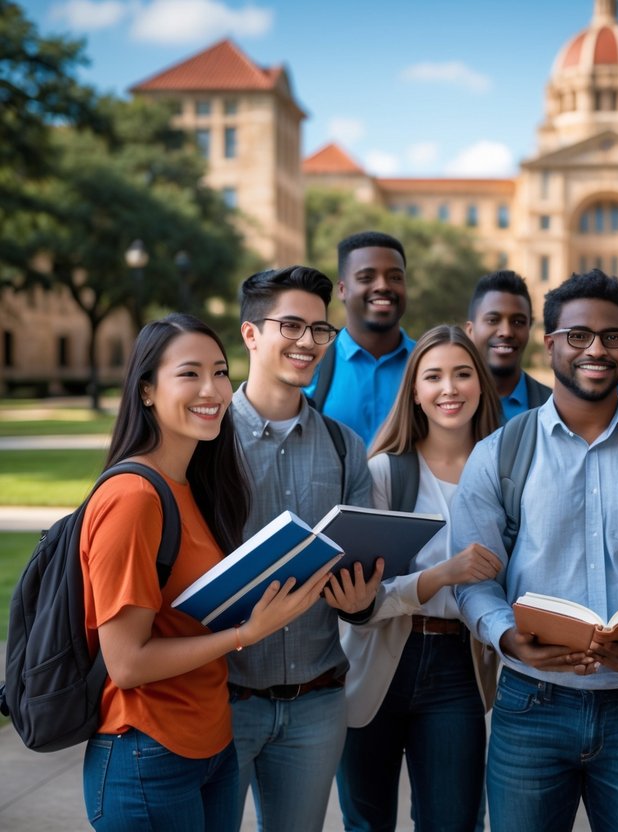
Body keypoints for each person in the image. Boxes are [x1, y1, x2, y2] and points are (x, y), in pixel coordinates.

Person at [452, 269, 618, 831]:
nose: (596, 349)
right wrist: (507, 638)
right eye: (578, 336)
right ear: (550, 345)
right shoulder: (499, 455)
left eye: (612, 336)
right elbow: (473, 578)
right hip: (529, 707)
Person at [80, 314, 335, 832]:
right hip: (146, 753)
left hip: (213, 748)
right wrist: (246, 633)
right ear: (147, 391)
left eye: (220, 372)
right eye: (189, 373)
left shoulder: (194, 487)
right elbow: (126, 663)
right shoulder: (132, 498)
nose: (212, 389)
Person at [231, 266, 382, 831]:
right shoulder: (204, 441)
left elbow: (365, 594)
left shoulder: (347, 448)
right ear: (251, 334)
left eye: (321, 331)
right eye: (291, 326)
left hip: (317, 704)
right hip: (222, 696)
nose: (308, 343)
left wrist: (361, 600)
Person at [336, 325, 503, 831]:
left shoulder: (504, 471)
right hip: (380, 661)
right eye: (433, 376)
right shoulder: (386, 472)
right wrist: (438, 577)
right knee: (367, 823)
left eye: (461, 374)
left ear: (481, 383)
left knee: (452, 823)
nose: (449, 389)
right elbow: (362, 604)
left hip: (459, 665)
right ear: (415, 391)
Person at [304, 231, 415, 446]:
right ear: (343, 290)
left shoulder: (429, 364)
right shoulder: (311, 363)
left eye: (395, 277)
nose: (383, 286)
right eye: (366, 277)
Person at [464, 269, 552, 420]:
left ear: (529, 329)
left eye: (518, 322)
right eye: (493, 320)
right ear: (470, 331)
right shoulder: (448, 403)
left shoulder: (553, 407)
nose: (506, 332)